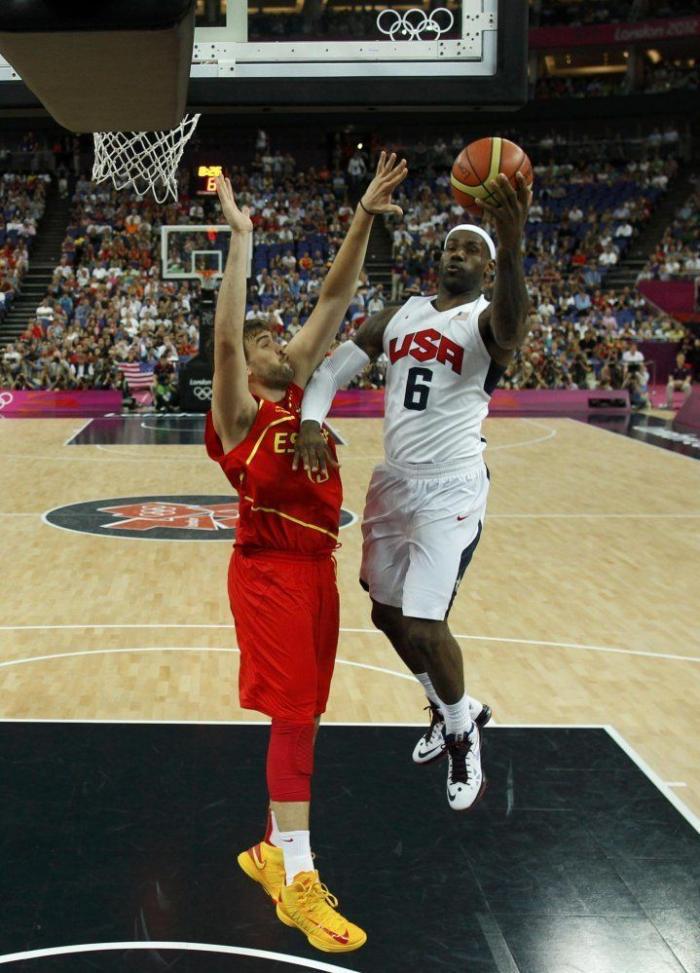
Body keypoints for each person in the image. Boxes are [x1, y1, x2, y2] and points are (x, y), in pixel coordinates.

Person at [204, 155, 406, 953]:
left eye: (275, 334)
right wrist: (242, 237)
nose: (275, 340)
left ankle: (268, 846)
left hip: (316, 571)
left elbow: (333, 298)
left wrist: (362, 214)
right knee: (292, 716)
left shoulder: (297, 392)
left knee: (308, 715)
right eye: (264, 339)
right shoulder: (238, 416)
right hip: (269, 574)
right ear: (247, 364)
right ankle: (298, 880)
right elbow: (225, 339)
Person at [294, 171, 532, 812]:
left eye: (472, 250)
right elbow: (331, 373)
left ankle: (461, 734)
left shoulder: (487, 320)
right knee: (384, 613)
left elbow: (513, 328)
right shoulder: (399, 314)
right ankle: (455, 706)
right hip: (394, 481)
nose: (458, 255)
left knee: (427, 624)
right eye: (453, 246)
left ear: (488, 268)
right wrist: (312, 420)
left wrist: (512, 244)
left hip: (451, 487)